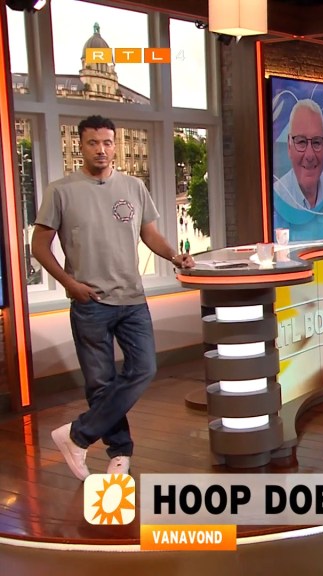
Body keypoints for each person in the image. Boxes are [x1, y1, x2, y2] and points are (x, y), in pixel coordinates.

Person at [32, 115, 195, 481]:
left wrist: (174, 256)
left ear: (115, 145)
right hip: (89, 302)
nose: (101, 150)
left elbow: (149, 234)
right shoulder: (61, 191)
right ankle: (120, 452)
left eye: (107, 142)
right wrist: (69, 283)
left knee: (144, 368)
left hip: (132, 298)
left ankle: (77, 435)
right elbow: (39, 246)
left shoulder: (134, 186)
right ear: (80, 145)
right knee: (100, 384)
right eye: (93, 143)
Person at [272, 99, 323, 241]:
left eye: (317, 142)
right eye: (301, 142)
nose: (310, 155)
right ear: (289, 147)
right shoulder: (278, 194)